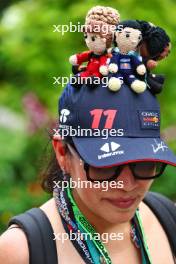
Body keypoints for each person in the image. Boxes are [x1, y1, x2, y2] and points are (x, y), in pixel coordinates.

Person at [0, 81, 176, 264]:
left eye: (144, 164)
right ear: (62, 153)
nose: (126, 185)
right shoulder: (21, 251)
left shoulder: (168, 219)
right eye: (105, 166)